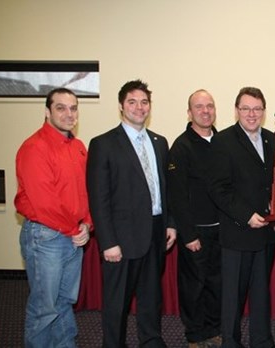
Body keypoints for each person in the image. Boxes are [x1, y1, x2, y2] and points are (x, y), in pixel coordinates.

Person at [87, 79, 176, 348]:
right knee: (117, 302)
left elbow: (165, 187)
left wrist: (170, 224)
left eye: (144, 102)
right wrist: (108, 242)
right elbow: (98, 198)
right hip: (121, 240)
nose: (139, 107)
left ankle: (151, 340)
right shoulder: (103, 144)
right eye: (132, 102)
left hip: (156, 232)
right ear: (121, 106)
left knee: (151, 296)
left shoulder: (160, 142)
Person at [15, 88, 92, 348]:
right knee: (44, 307)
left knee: (63, 302)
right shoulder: (34, 148)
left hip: (73, 236)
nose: (68, 114)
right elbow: (44, 203)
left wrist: (87, 224)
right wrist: (75, 229)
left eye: (73, 108)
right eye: (61, 108)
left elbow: (87, 192)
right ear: (47, 112)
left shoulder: (78, 147)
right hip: (46, 237)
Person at [207, 87, 275, 348]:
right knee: (232, 296)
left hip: (265, 232)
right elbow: (218, 188)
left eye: (257, 109)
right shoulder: (223, 141)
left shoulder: (274, 140)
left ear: (264, 111)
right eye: (246, 108)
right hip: (238, 232)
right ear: (237, 110)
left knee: (261, 293)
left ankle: (262, 340)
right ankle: (230, 342)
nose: (252, 114)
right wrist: (246, 215)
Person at [167, 89, 222, 348]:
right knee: (193, 287)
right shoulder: (181, 146)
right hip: (196, 233)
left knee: (216, 285)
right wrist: (188, 235)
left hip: (222, 231)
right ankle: (195, 335)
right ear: (190, 113)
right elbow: (176, 195)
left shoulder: (224, 142)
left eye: (209, 106)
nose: (205, 111)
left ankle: (213, 329)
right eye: (199, 107)